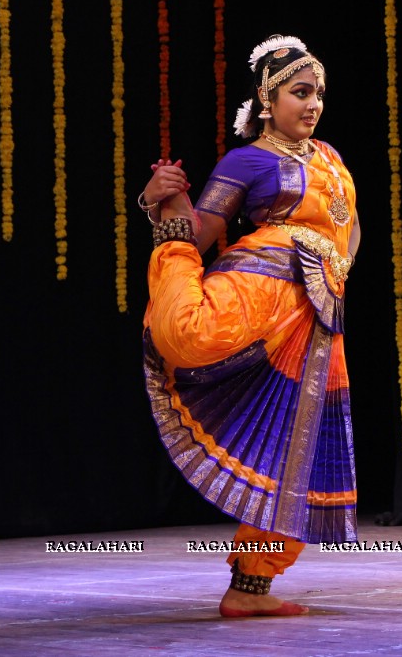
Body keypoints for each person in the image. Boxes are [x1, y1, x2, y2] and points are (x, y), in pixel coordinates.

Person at [140, 34, 360, 618]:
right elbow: (202, 234)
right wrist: (161, 203)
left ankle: (249, 590)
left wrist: (334, 270)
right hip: (258, 291)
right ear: (267, 99)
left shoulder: (331, 158)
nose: (312, 104)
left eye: (318, 94)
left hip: (313, 321)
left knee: (300, 455)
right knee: (189, 333)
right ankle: (171, 303)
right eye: (299, 93)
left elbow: (350, 231)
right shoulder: (248, 161)